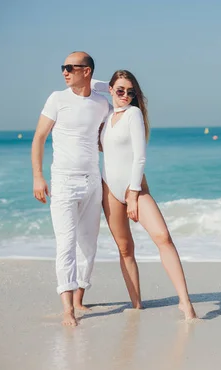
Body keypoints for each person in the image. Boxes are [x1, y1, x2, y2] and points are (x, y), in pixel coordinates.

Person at [95, 70, 196, 320]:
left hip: (135, 189)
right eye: (120, 90)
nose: (126, 96)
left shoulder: (133, 114)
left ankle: (185, 302)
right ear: (110, 90)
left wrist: (132, 194)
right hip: (108, 188)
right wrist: (106, 85)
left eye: (131, 92)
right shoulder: (107, 115)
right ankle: (137, 305)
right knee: (125, 248)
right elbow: (94, 87)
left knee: (163, 237)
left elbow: (140, 157)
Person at [31, 51, 110, 326]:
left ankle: (79, 299)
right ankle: (67, 309)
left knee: (88, 245)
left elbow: (108, 136)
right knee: (66, 244)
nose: (64, 72)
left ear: (86, 71)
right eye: (63, 67)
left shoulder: (102, 104)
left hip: (92, 181)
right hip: (63, 182)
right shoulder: (57, 99)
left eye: (70, 68)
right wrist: (38, 177)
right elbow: (39, 137)